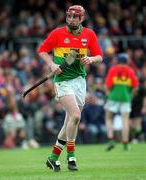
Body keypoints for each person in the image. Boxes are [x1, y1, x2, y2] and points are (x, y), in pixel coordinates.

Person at [37, 5, 103, 172]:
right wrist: (51, 65)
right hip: (62, 80)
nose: (71, 19)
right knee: (75, 115)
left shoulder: (89, 34)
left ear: (81, 18)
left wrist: (91, 59)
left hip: (80, 80)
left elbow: (99, 56)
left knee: (70, 122)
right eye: (69, 16)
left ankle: (53, 158)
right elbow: (42, 50)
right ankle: (71, 156)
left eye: (75, 16)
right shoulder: (58, 33)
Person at [104, 53, 139, 151]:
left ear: (118, 60)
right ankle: (126, 143)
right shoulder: (130, 70)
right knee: (125, 121)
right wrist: (130, 96)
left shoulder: (113, 69)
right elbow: (136, 87)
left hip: (113, 97)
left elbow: (107, 86)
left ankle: (111, 140)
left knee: (108, 118)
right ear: (127, 61)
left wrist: (108, 95)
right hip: (126, 98)